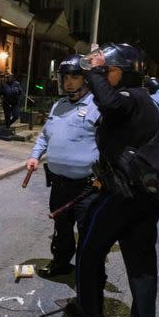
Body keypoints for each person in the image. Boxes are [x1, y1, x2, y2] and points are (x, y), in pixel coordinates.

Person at [68, 43, 159, 317]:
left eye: (106, 71)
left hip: (124, 196)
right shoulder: (144, 102)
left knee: (89, 249)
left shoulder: (128, 98)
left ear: (119, 73)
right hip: (146, 198)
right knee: (141, 265)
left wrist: (94, 69)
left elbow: (108, 104)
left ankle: (89, 310)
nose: (100, 76)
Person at [26, 55, 100, 277]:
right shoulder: (59, 105)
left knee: (89, 233)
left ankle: (87, 278)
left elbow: (110, 144)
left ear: (86, 79)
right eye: (65, 77)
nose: (68, 81)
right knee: (62, 228)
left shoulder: (98, 106)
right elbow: (45, 136)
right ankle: (60, 263)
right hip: (60, 184)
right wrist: (35, 156)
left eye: (74, 77)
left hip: (87, 187)